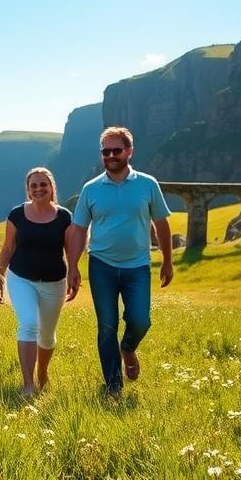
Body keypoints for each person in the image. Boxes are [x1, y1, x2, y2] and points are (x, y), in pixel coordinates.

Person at [66, 127, 173, 400]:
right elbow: (79, 230)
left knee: (140, 321)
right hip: (101, 265)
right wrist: (73, 266)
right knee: (106, 326)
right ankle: (113, 387)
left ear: (129, 151)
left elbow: (161, 224)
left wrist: (168, 261)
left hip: (138, 266)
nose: (111, 156)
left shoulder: (148, 184)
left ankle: (128, 349)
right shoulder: (90, 189)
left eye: (117, 150)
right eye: (106, 151)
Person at [0, 167, 74, 398]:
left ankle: (42, 372)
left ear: (51, 188)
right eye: (34, 186)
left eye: (43, 185)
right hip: (20, 278)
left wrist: (73, 275)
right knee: (28, 324)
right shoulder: (16, 215)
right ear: (28, 190)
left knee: (47, 335)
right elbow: (7, 249)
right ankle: (28, 385)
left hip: (54, 282)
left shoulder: (64, 216)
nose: (39, 189)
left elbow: (70, 252)